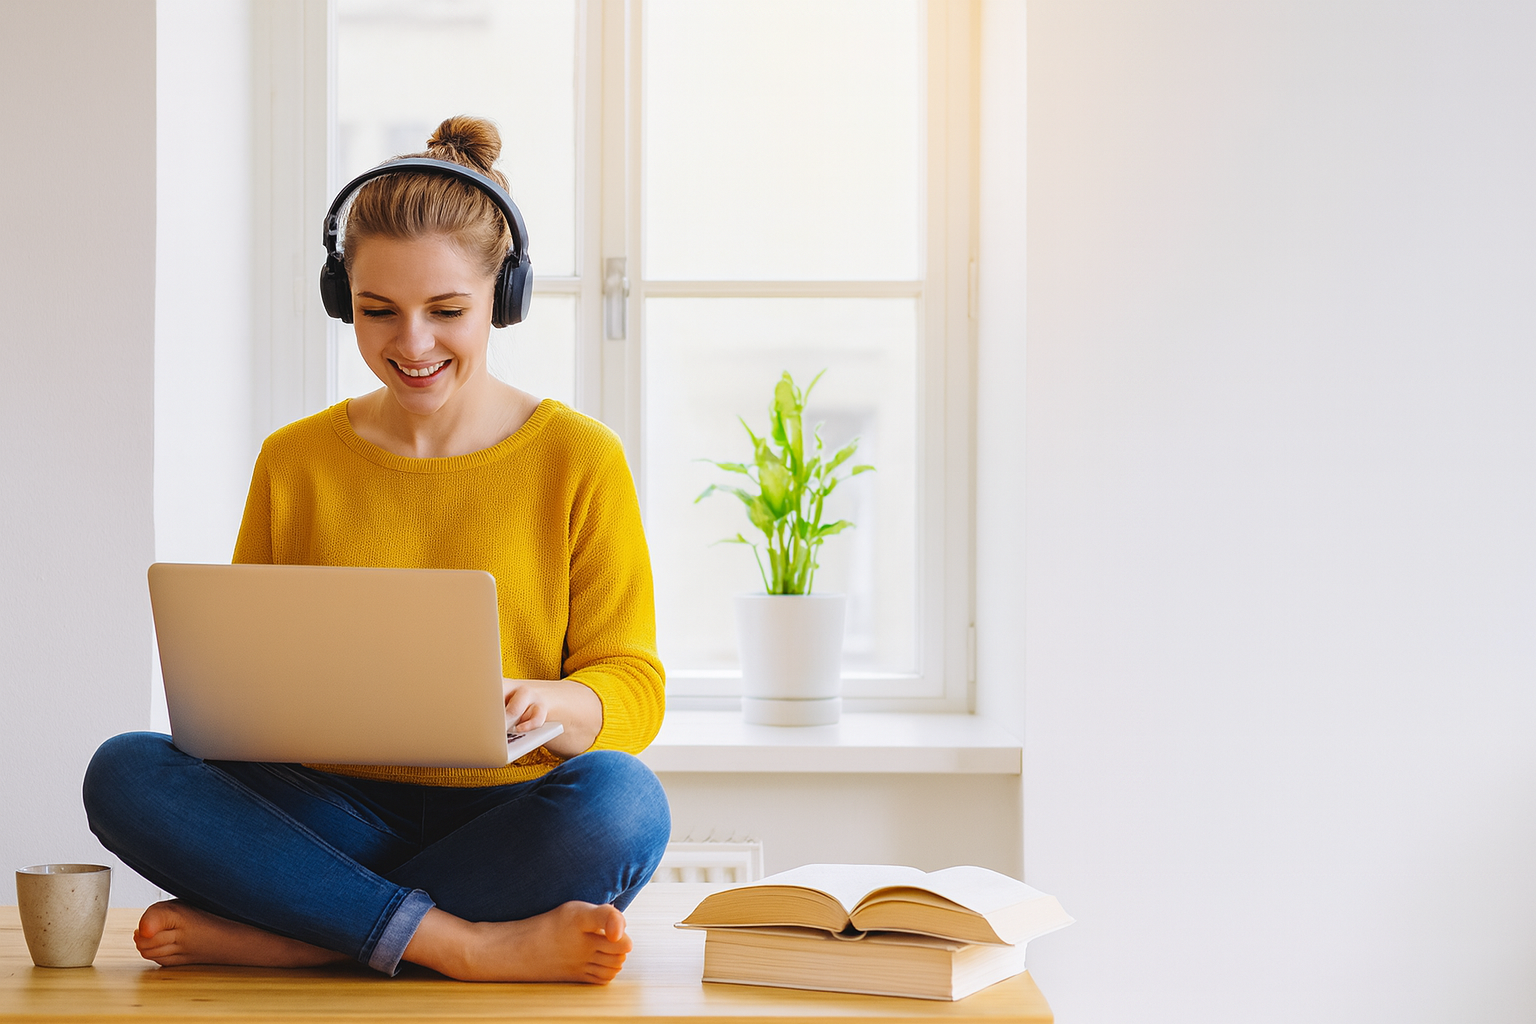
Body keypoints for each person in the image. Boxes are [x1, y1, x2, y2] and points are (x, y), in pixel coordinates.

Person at [82, 116, 670, 983]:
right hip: (329, 813)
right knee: (124, 771)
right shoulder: (297, 460)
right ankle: (459, 944)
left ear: (502, 300)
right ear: (340, 299)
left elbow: (633, 683)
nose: (413, 345)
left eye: (448, 311)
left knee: (623, 805)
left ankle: (299, 935)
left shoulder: (578, 458)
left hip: (506, 813)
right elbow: (243, 688)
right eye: (377, 311)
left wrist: (558, 702)